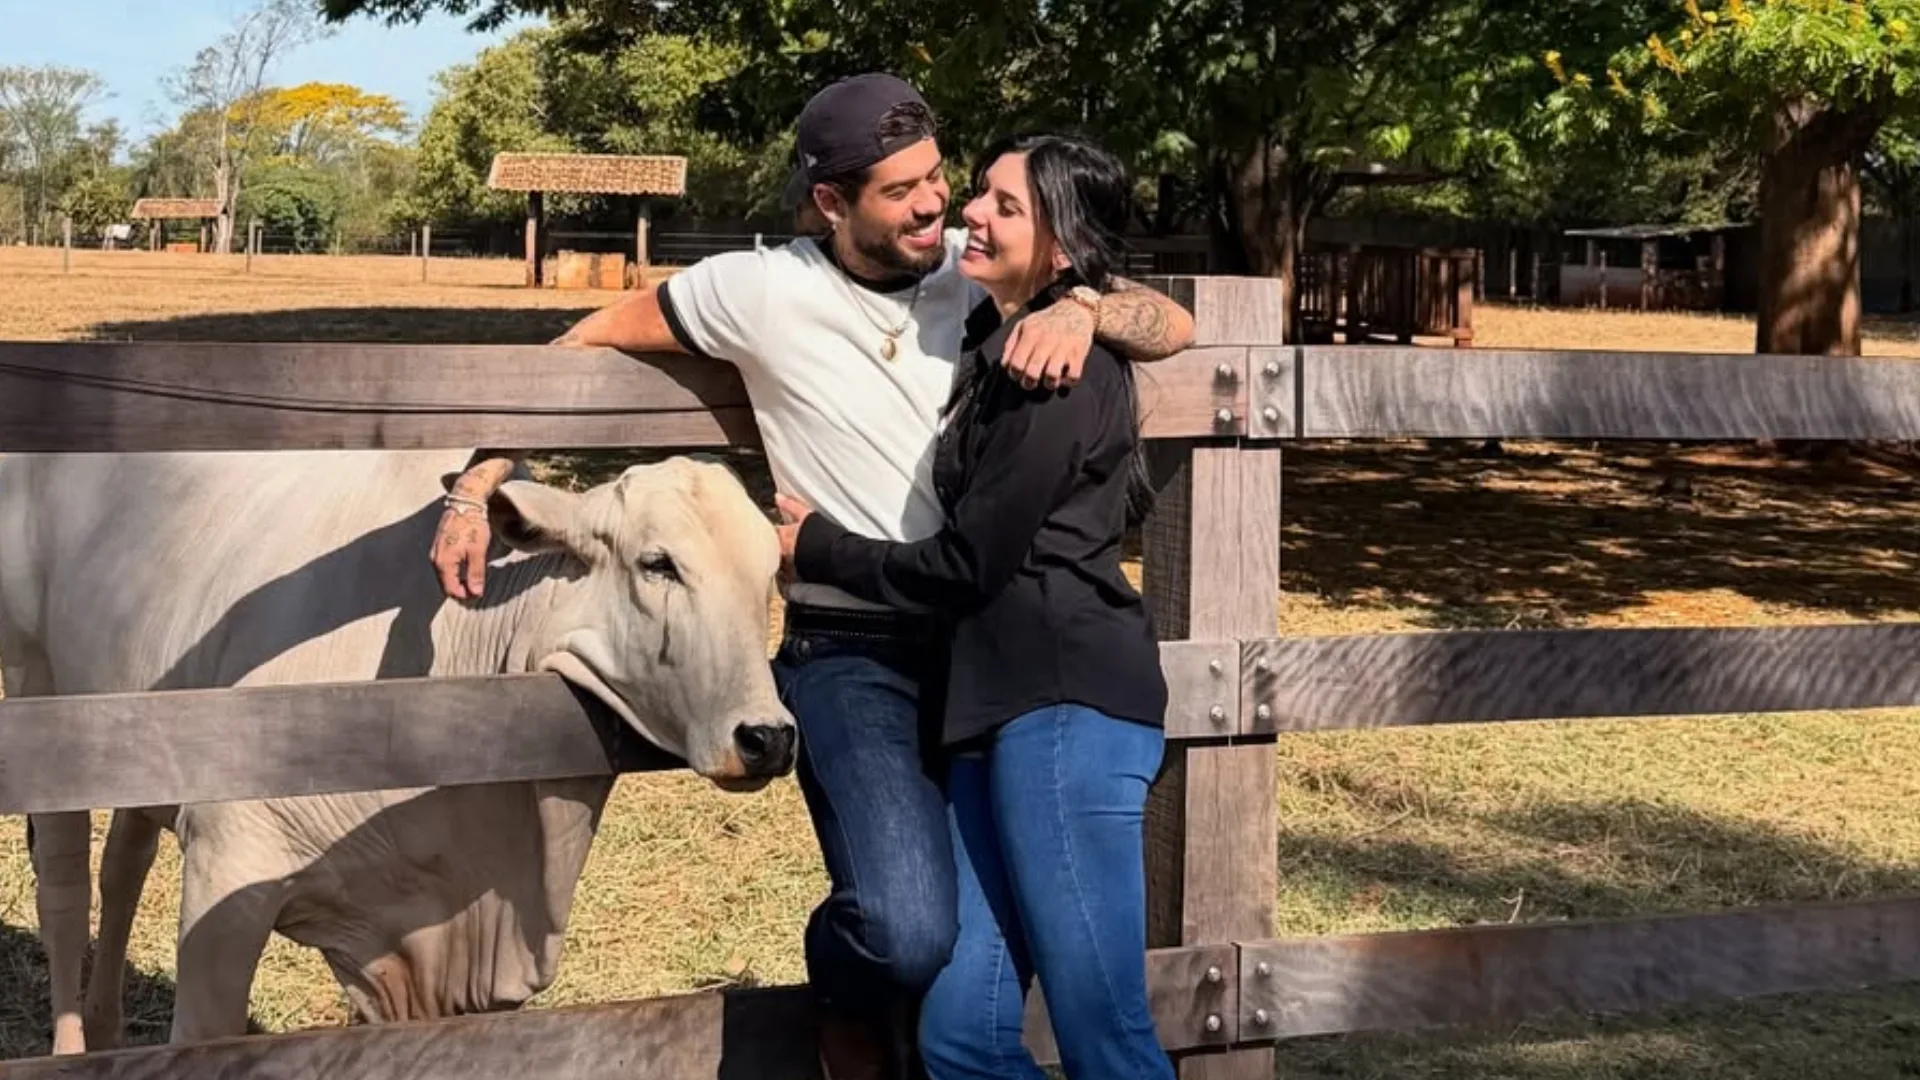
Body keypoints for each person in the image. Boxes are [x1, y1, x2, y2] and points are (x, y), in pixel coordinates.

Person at [428, 75, 1194, 1080]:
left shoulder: (976, 278)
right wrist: (481, 477)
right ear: (833, 202)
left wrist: (1087, 303)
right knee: (908, 929)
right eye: (902, 190)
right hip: (855, 649)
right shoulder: (757, 290)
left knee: (977, 973)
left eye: (941, 179)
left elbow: (1173, 326)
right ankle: (843, 989)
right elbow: (583, 344)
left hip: (981, 648)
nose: (937, 205)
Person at [774, 133, 1174, 1080]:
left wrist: (819, 547)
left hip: (1066, 711)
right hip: (989, 719)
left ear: (1064, 248)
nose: (969, 218)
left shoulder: (1057, 376)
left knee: (1102, 1034)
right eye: (978, 196)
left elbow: (968, 566)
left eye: (1003, 206)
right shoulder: (996, 341)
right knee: (961, 1040)